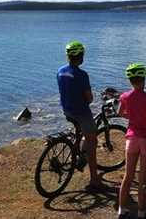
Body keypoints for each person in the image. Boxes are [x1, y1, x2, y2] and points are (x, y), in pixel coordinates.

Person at [57, 40, 105, 191]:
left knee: (81, 132)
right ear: (80, 56)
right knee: (92, 140)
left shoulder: (60, 71)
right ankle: (94, 180)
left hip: (67, 110)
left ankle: (79, 156)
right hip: (81, 112)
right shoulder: (82, 74)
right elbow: (89, 98)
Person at [117, 62, 146, 219]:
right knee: (143, 178)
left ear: (130, 81)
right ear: (144, 79)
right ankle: (142, 213)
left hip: (131, 139)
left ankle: (122, 210)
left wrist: (132, 117)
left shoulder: (125, 97)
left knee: (128, 175)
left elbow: (120, 113)